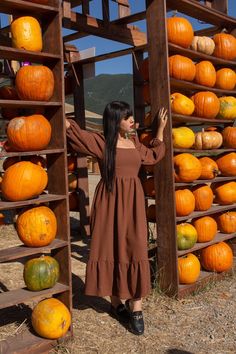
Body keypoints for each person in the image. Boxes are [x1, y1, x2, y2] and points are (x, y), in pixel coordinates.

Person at [66, 101, 168, 335]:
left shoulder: (133, 143)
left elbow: (153, 156)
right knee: (111, 247)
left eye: (131, 115)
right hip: (109, 202)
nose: (131, 120)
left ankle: (137, 305)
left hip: (133, 203)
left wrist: (160, 130)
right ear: (115, 121)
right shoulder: (103, 143)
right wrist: (59, 115)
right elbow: (76, 134)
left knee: (136, 247)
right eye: (126, 117)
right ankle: (115, 303)